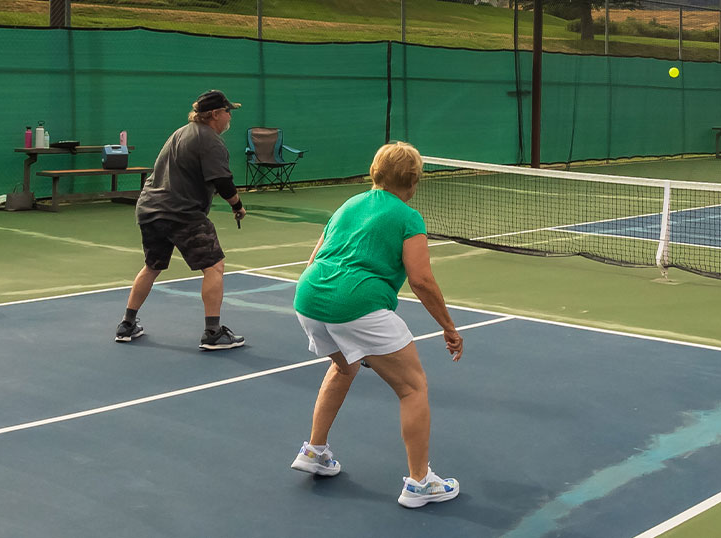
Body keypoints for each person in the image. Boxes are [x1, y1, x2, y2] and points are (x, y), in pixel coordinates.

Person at [289, 142, 466, 509]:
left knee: (343, 365)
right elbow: (421, 280)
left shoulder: (349, 204)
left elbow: (314, 256)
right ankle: (420, 483)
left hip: (308, 296)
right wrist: (449, 327)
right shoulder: (408, 217)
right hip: (357, 305)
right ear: (414, 181)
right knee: (413, 388)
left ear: (375, 172)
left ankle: (315, 451)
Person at [116, 90, 248, 351]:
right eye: (226, 111)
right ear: (214, 115)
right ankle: (212, 332)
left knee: (152, 266)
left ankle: (127, 325)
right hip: (181, 213)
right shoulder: (210, 140)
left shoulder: (180, 132)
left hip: (149, 210)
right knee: (214, 266)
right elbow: (222, 181)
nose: (229, 116)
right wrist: (238, 206)